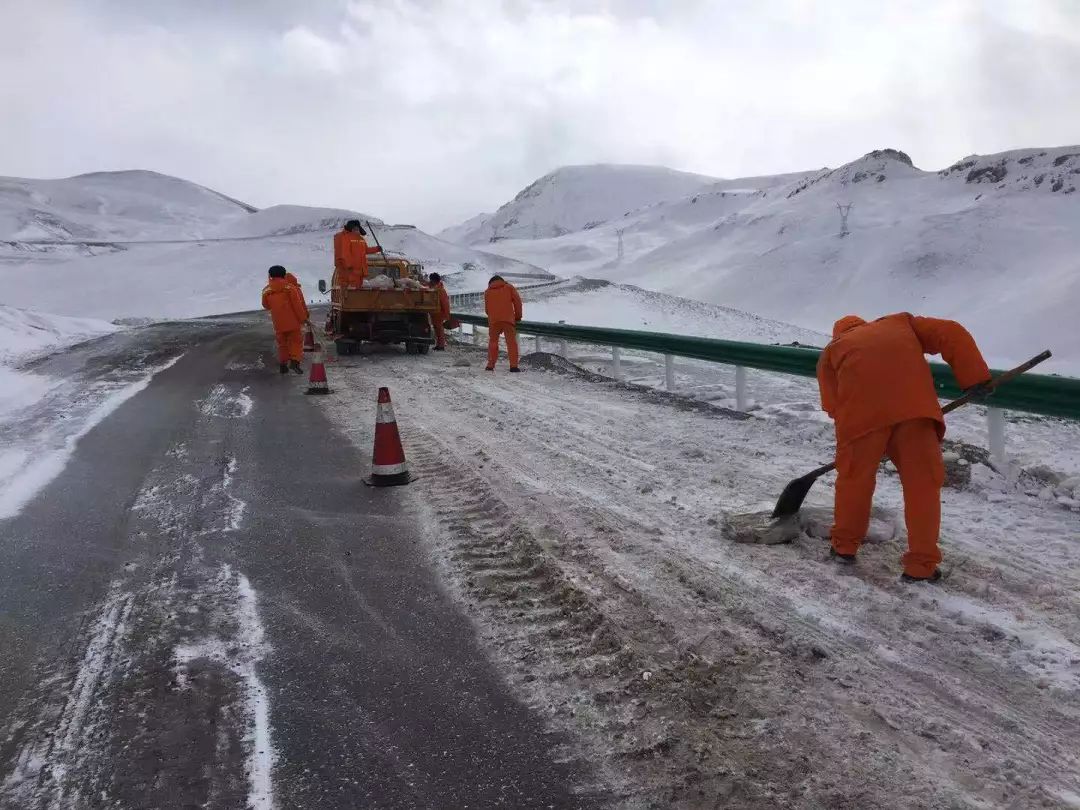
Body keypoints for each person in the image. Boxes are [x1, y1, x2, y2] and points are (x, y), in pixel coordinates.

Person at [817, 313, 992, 582]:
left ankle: (844, 547)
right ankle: (921, 565)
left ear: (837, 334)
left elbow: (832, 405)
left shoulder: (831, 351)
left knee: (854, 481)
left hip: (862, 422)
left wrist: (867, 435)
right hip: (915, 414)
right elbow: (950, 332)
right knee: (922, 486)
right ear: (865, 324)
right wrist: (975, 378)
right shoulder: (901, 323)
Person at [261, 265, 311, 375]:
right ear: (284, 275)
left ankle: (283, 364)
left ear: (270, 276)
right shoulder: (290, 288)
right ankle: (295, 361)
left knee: (282, 344)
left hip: (278, 323)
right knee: (296, 342)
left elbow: (265, 305)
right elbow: (297, 306)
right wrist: (303, 319)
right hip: (293, 322)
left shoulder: (266, 290)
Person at [484, 275, 523, 372]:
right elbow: (517, 302)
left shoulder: (487, 292)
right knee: (511, 342)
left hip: (493, 321)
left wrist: (493, 316)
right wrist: (518, 317)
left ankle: (490, 365)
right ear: (502, 281)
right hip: (508, 319)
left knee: (493, 342)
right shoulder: (509, 287)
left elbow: (487, 310)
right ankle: (513, 366)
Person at [333, 220, 381, 288]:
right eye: (355, 228)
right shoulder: (345, 237)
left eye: (357, 228)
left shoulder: (360, 239)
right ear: (351, 228)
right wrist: (348, 265)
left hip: (359, 272)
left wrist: (377, 249)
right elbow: (344, 252)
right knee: (351, 291)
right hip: (350, 271)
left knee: (357, 290)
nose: (357, 230)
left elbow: (366, 250)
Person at [428, 272, 451, 351]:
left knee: (439, 330)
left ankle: (441, 345)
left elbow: (445, 303)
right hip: (435, 313)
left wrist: (446, 314)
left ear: (434, 280)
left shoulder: (440, 290)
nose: (430, 281)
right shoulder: (436, 288)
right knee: (437, 329)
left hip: (439, 313)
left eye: (431, 280)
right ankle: (439, 344)